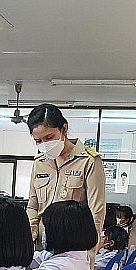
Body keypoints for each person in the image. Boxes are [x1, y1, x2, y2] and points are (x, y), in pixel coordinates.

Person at [26, 104, 106, 247]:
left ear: (63, 129)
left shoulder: (88, 161)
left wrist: (90, 251)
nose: (44, 145)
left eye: (49, 137)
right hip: (41, 245)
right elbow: (32, 205)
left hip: (73, 246)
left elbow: (96, 212)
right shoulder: (39, 163)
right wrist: (32, 225)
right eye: (38, 141)